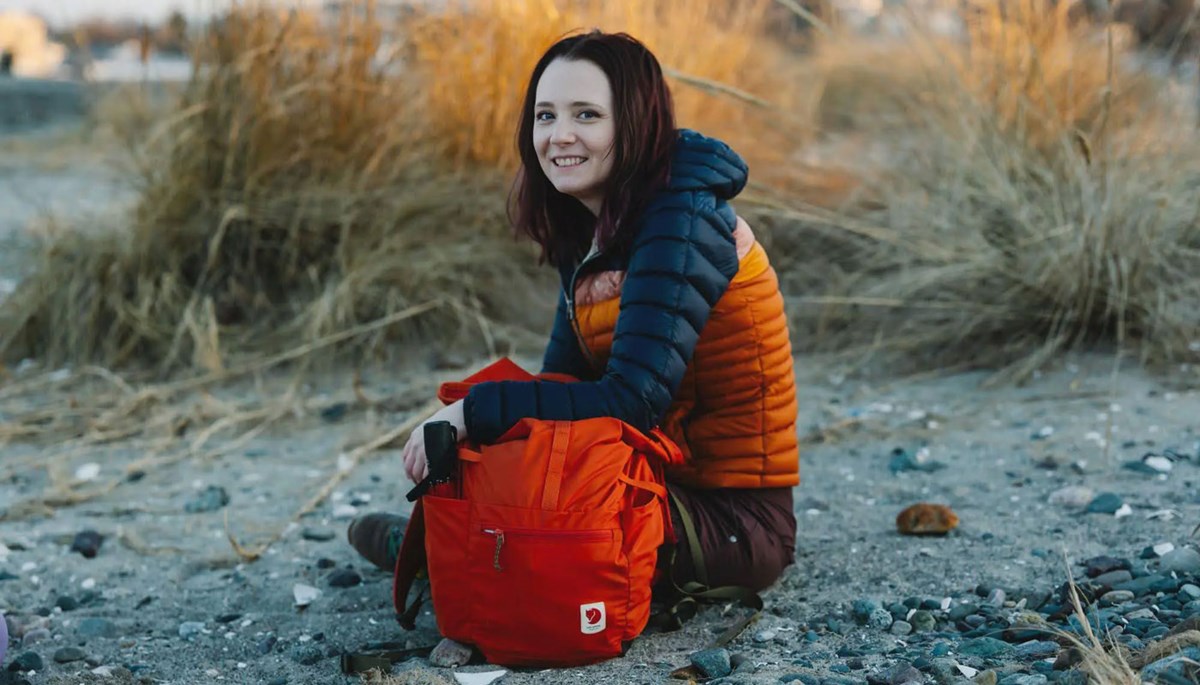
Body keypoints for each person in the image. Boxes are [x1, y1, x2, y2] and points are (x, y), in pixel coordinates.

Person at [349, 30, 798, 601]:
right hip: (646, 479)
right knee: (513, 442)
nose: (559, 136)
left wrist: (477, 411)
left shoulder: (681, 221)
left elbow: (631, 401)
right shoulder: (592, 228)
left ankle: (444, 553)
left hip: (731, 521)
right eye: (545, 115)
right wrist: (484, 444)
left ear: (633, 123)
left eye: (586, 114)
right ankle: (450, 537)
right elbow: (565, 384)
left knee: (517, 473)